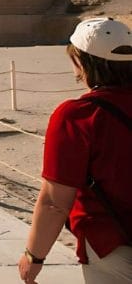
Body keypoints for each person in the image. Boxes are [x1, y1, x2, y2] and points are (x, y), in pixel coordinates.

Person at [18, 17, 132, 284]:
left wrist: (34, 257)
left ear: (82, 63)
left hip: (114, 245)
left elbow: (54, 202)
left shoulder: (79, 115)